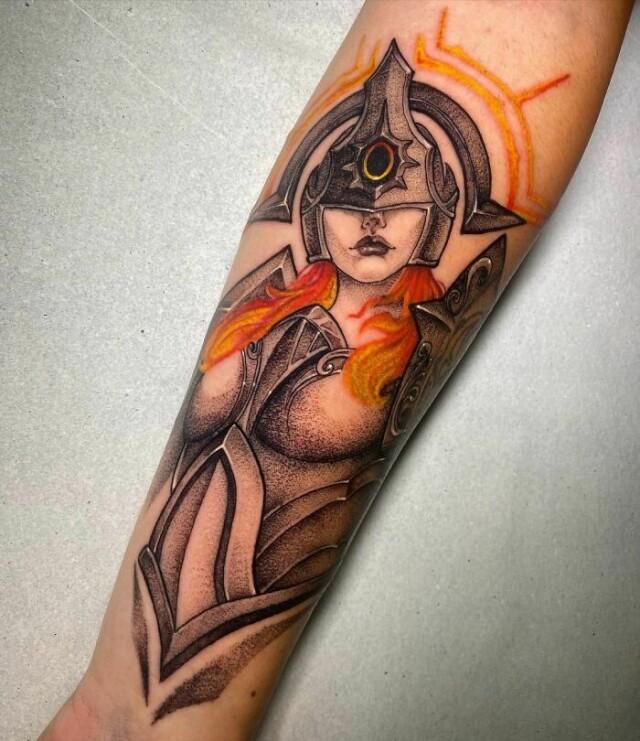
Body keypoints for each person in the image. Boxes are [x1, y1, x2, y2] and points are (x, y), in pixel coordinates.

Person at [40, 1, 634, 739]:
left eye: (400, 206)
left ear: (438, 219)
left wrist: (130, 722)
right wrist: (117, 713)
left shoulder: (411, 333)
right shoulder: (275, 311)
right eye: (350, 207)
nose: (372, 222)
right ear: (317, 213)